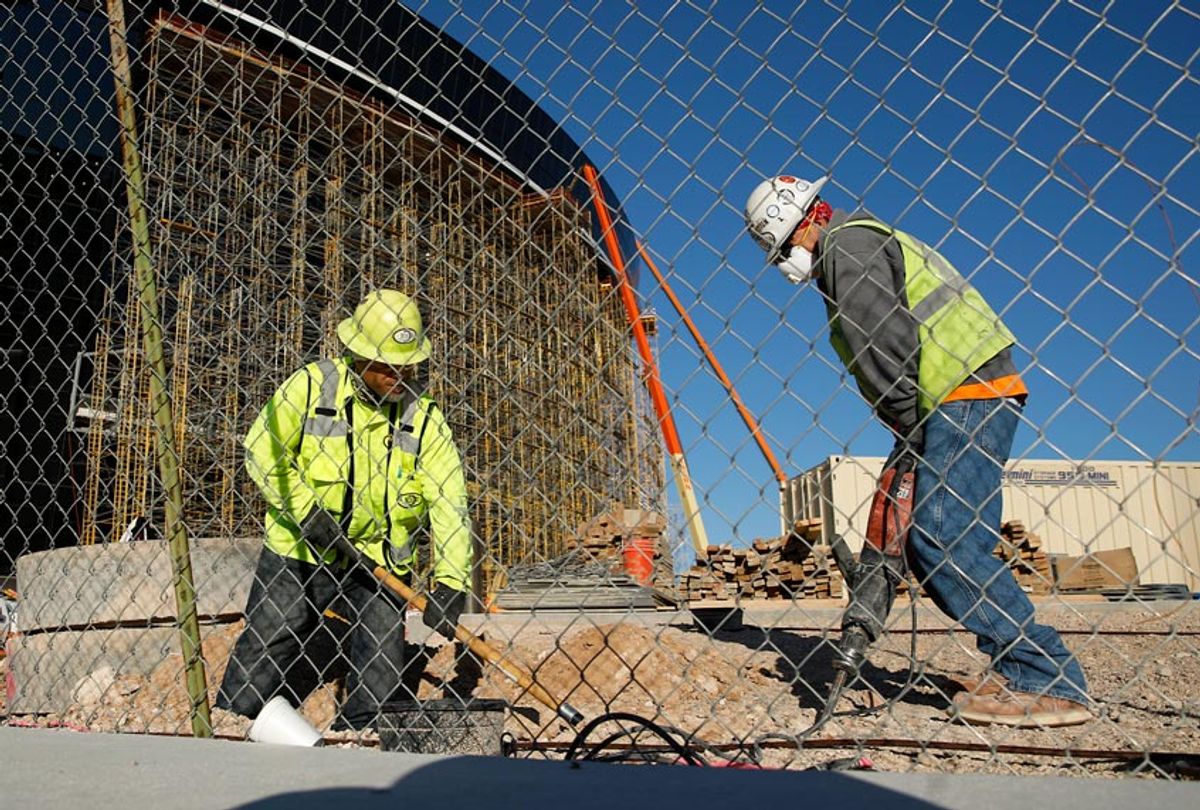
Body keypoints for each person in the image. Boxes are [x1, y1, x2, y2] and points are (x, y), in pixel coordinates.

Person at [744, 175, 1091, 728]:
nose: (786, 260)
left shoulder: (846, 249)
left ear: (801, 225)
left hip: (960, 393)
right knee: (939, 543)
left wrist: (910, 424)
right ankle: (1021, 669)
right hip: (960, 392)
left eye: (783, 247)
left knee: (942, 536)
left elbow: (883, 343)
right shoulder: (862, 243)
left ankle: (1046, 679)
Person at [216, 289, 472, 732]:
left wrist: (451, 579)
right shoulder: (313, 386)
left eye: (406, 364)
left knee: (381, 652)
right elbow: (262, 448)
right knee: (275, 629)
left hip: (379, 559)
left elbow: (449, 501)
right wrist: (307, 512)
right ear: (358, 354)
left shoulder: (424, 419)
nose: (400, 373)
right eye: (388, 365)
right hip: (301, 546)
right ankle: (232, 720)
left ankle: (360, 732)